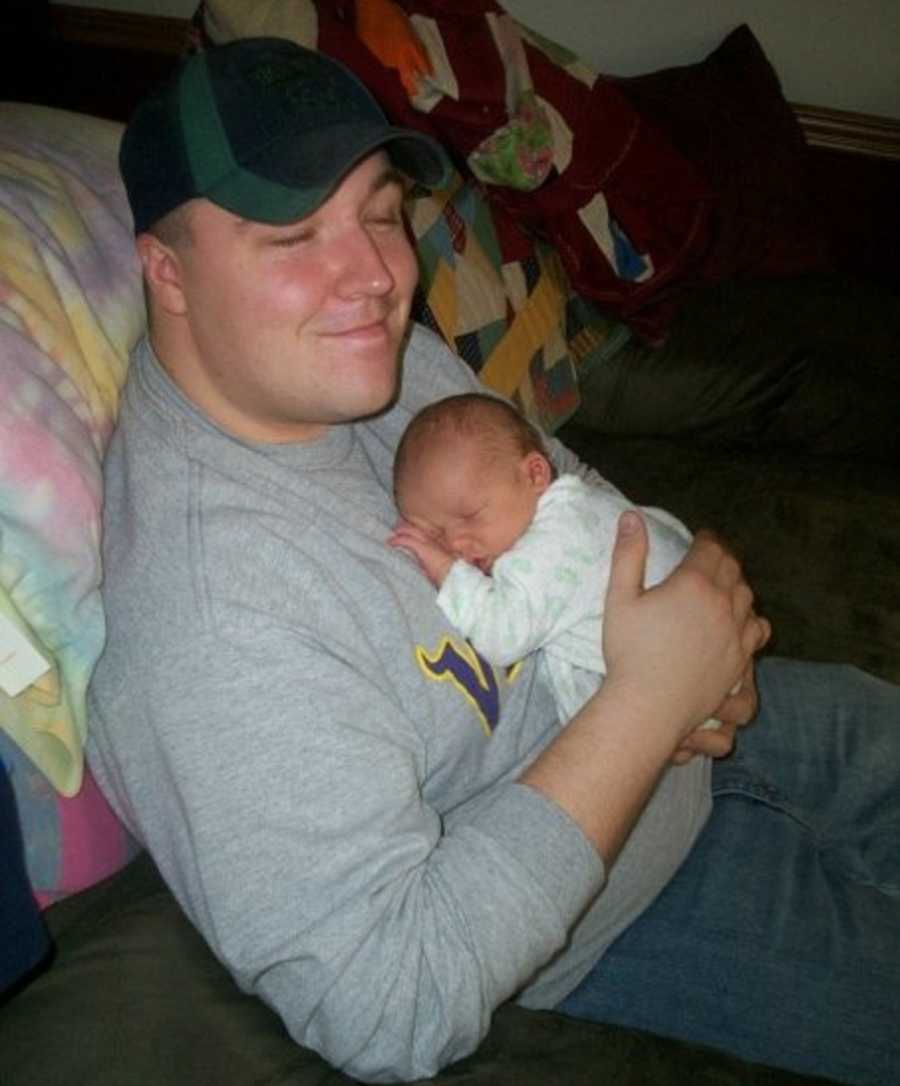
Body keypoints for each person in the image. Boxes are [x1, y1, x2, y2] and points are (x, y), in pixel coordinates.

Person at [84, 36, 900, 1086]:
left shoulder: (379, 357)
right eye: (293, 235)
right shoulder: (212, 618)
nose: (377, 275)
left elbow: (559, 499)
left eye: (380, 212)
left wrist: (700, 644)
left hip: (687, 717)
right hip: (625, 901)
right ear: (167, 270)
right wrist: (651, 703)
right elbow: (385, 1004)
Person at [390, 392, 723, 730]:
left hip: (697, 693)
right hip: (708, 659)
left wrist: (448, 572)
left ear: (536, 474)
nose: (456, 545)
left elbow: (503, 635)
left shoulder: (553, 543)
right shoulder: (576, 506)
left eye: (470, 515)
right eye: (435, 535)